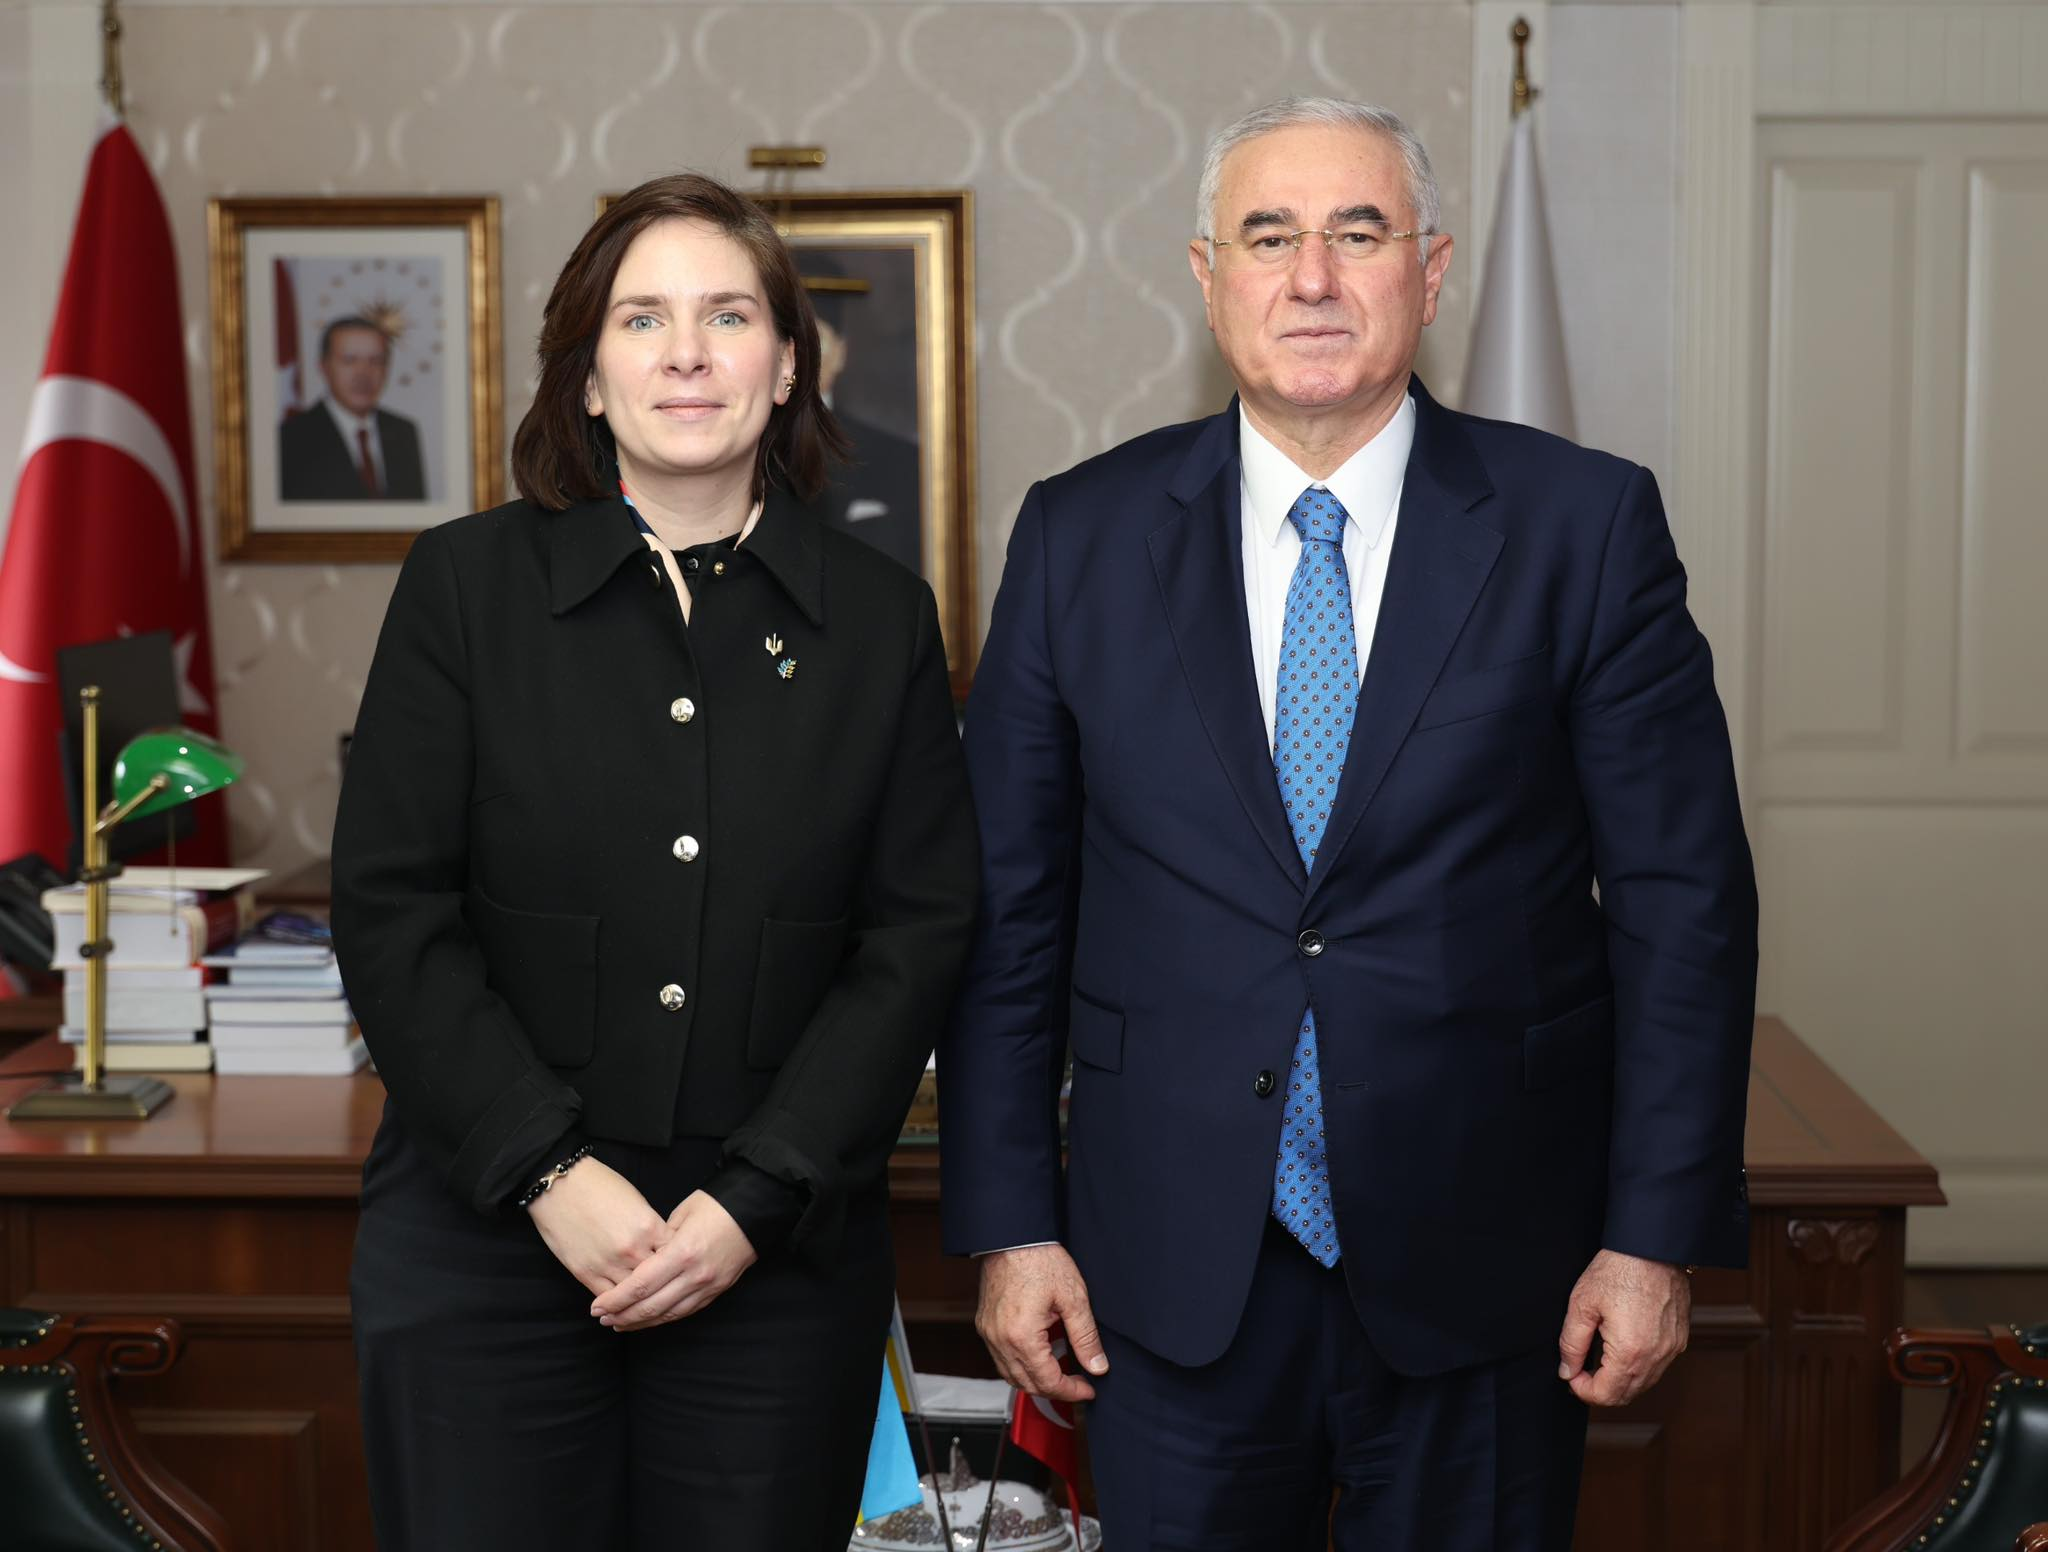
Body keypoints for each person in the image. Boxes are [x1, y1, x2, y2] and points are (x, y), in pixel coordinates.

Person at [939, 96, 1758, 1552]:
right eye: (1269, 238)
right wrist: (1011, 1224)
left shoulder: (1582, 528)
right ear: (1208, 278)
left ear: (1429, 272)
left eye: (1357, 234)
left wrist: (1650, 1237)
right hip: (1163, 1276)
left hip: (1490, 1265)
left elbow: (1681, 909)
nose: (1311, 277)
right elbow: (1008, 913)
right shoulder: (1079, 536)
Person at [332, 172, 978, 1550]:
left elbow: (916, 937)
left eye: (727, 316)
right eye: (642, 320)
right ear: (586, 376)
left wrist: (757, 1198)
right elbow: (391, 913)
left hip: (770, 1262)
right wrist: (549, 1176)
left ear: (787, 365)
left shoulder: (881, 620)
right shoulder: (462, 588)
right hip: (485, 1245)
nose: (686, 353)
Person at [802, 259, 924, 574]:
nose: (800, 358)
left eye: (816, 340)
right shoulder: (731, 450)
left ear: (841, 352)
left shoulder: (898, 459)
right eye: (789, 342)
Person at [279, 317, 427, 500]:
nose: (363, 373)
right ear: (324, 367)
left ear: (387, 368)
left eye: (376, 361)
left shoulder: (404, 432)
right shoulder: (291, 438)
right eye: (349, 360)